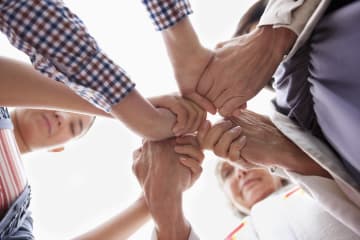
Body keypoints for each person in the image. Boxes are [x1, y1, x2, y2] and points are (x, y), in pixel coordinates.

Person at [215, 161, 360, 240]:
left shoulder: (318, 182)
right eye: (227, 173)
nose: (240, 171)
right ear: (228, 197)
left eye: (244, 161)